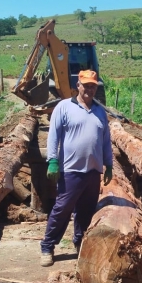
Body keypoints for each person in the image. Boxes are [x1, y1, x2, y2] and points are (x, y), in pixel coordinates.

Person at [40, 70, 113, 267]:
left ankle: (79, 242)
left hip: (93, 171)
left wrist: (109, 164)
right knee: (62, 208)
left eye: (93, 86)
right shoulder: (64, 107)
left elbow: (106, 140)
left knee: (86, 211)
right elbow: (53, 135)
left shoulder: (99, 112)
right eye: (86, 85)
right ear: (77, 86)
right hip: (70, 170)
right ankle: (47, 246)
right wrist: (53, 161)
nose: (89, 89)